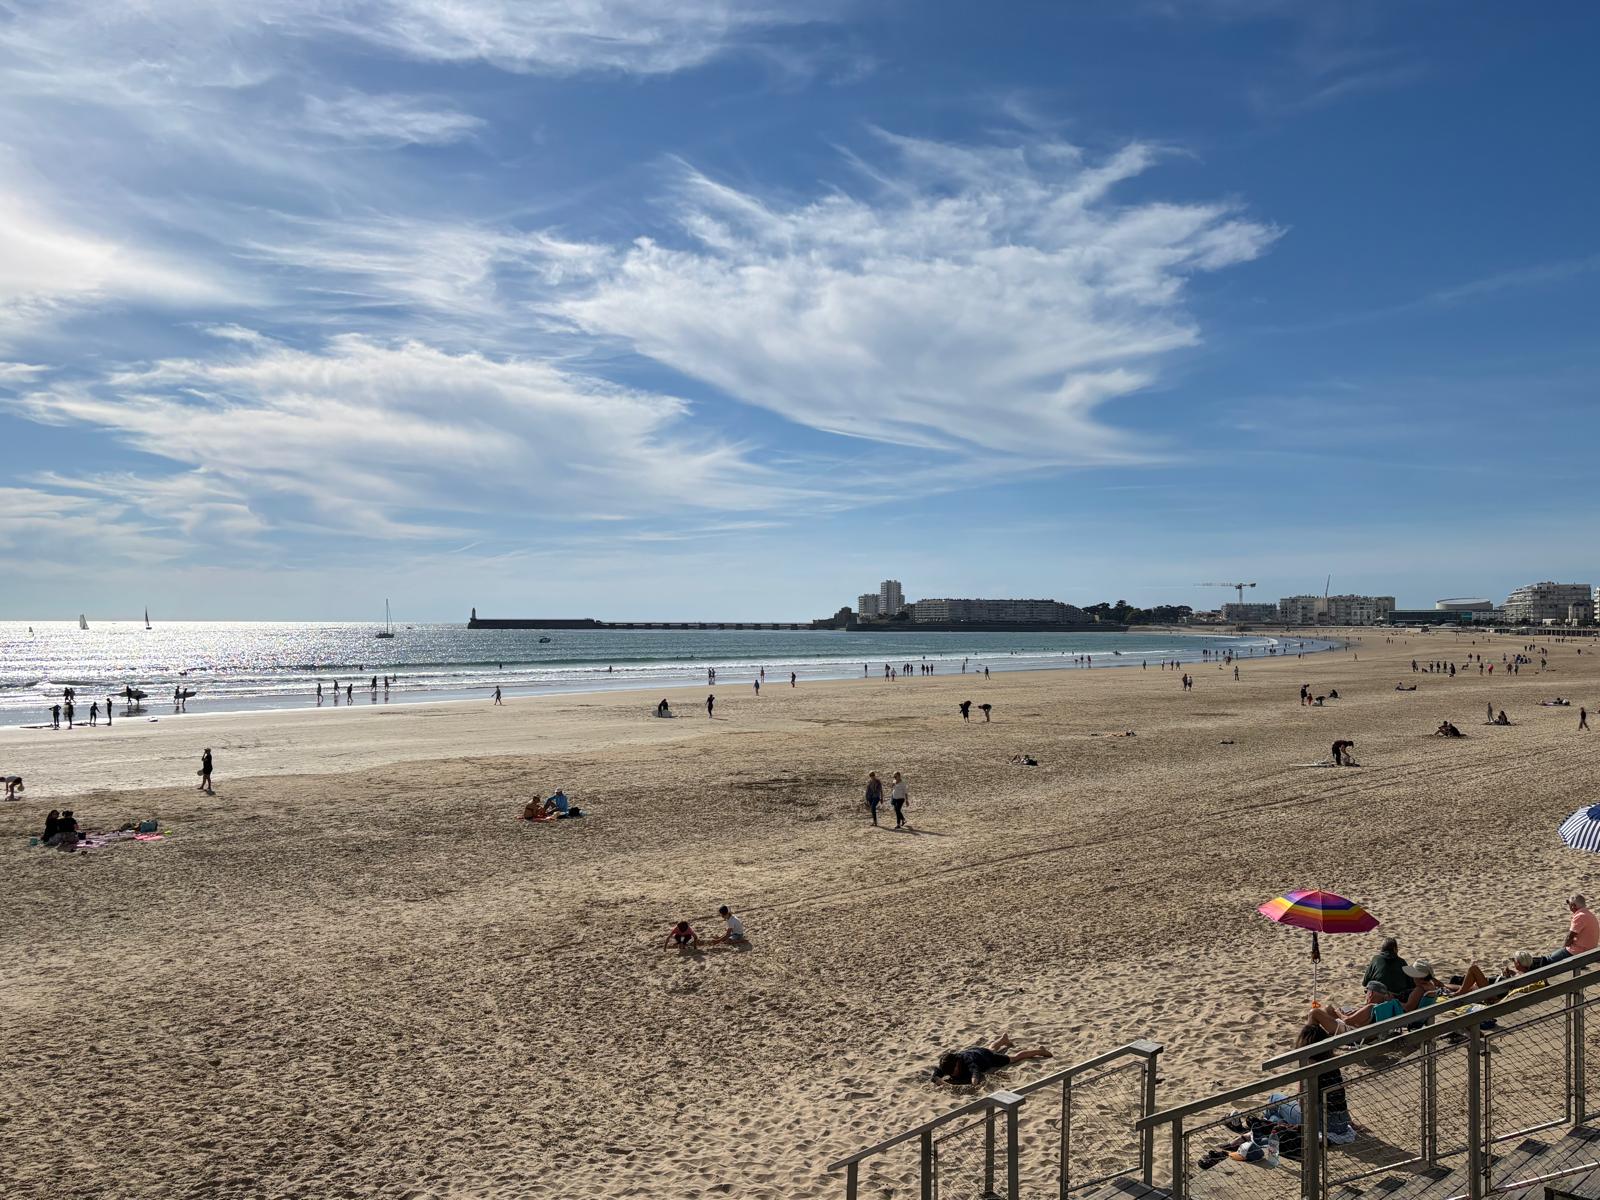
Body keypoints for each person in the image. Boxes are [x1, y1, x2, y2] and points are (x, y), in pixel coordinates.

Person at [931, 1034, 1051, 1086]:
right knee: (991, 1048)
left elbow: (975, 1072)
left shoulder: (968, 1062)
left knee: (1014, 1058)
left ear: (957, 1064)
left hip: (986, 1058)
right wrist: (938, 1080)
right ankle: (1003, 1040)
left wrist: (974, 1083)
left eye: (954, 1072)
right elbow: (936, 1074)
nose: (952, 1074)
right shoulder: (947, 1064)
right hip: (976, 1051)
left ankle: (1040, 1051)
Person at [1548, 895, 1600, 962]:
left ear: (1573, 906)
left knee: (1548, 959)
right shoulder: (1588, 914)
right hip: (1590, 950)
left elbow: (1570, 937)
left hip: (1579, 951)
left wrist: (1563, 949)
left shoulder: (1580, 916)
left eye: (1569, 904)